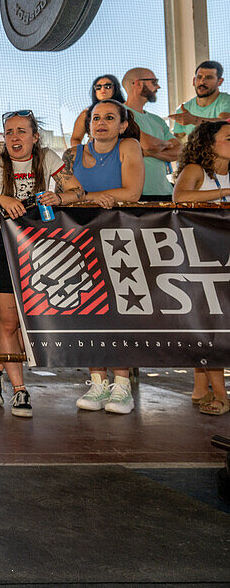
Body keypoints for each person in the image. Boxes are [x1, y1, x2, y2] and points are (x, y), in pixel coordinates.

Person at [0, 110, 85, 418]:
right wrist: (1, 200)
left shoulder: (48, 158)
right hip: (3, 244)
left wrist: (60, 199)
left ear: (35, 136)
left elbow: (77, 191)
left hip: (39, 247)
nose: (14, 137)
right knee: (7, 321)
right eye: (9, 132)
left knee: (29, 320)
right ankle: (20, 390)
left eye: (21, 131)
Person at [62, 99, 144, 413]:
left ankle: (122, 386)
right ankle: (98, 383)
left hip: (122, 239)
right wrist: (89, 199)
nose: (101, 123)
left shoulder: (129, 146)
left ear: (122, 125)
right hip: (81, 240)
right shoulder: (72, 155)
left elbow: (131, 192)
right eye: (96, 118)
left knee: (120, 312)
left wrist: (84, 198)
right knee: (88, 309)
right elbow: (65, 196)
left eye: (110, 117)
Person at [171, 120, 230, 416]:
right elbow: (179, 198)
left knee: (212, 324)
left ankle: (200, 388)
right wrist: (223, 194)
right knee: (209, 325)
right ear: (209, 144)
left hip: (226, 256)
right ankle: (220, 394)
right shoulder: (196, 170)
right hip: (201, 257)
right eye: (228, 137)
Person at [119, 68, 179, 202]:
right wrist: (165, 145)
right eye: (154, 81)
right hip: (137, 194)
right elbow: (148, 144)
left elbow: (179, 151)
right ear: (137, 83)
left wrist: (148, 152)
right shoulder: (120, 114)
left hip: (165, 193)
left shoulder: (156, 119)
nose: (158, 86)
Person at [170, 61, 230, 140]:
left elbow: (224, 123)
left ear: (219, 82)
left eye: (209, 78)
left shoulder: (226, 101)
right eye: (199, 77)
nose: (202, 82)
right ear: (194, 81)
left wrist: (194, 120)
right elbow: (178, 140)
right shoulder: (183, 109)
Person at [69, 74, 125, 147]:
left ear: (115, 89)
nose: (103, 89)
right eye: (98, 87)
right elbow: (75, 139)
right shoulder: (86, 113)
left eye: (107, 86)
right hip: (95, 155)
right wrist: (83, 154)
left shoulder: (127, 110)